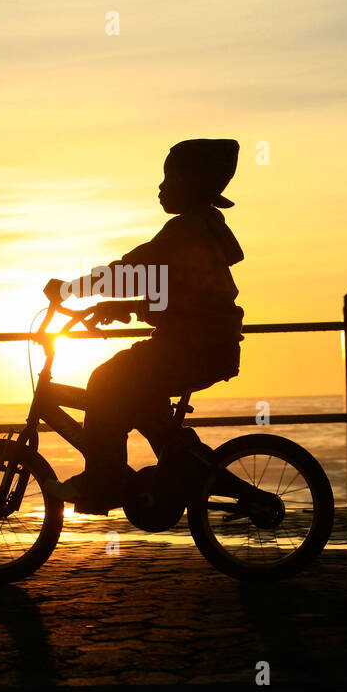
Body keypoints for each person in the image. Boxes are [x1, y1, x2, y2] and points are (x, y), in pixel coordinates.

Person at [42, 139, 245, 513]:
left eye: (170, 178)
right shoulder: (201, 230)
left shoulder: (184, 232)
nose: (161, 187)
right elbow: (171, 289)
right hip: (203, 345)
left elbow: (132, 271)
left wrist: (71, 289)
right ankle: (183, 465)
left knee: (107, 380)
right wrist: (121, 307)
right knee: (142, 402)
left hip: (191, 347)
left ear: (192, 185)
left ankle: (105, 480)